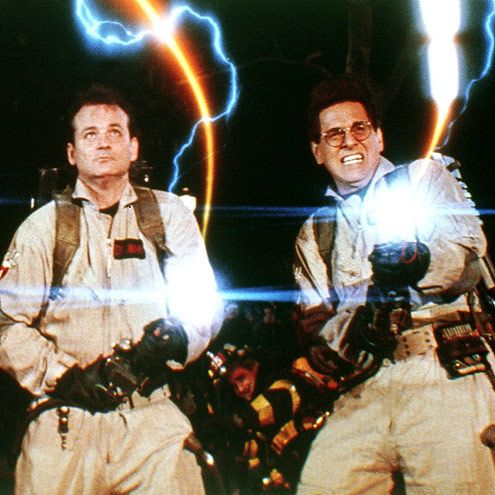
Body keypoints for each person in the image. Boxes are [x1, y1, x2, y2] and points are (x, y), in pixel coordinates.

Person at [0, 83, 221, 494]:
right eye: (90, 134)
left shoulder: (168, 215)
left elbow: (203, 304)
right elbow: (6, 324)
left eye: (114, 132)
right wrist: (67, 377)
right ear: (72, 153)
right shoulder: (43, 228)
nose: (103, 142)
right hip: (66, 419)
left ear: (133, 147)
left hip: (151, 415)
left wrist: (176, 339)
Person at [293, 73, 495, 493]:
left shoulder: (424, 177)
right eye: (334, 134)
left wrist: (417, 262)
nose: (349, 142)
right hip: (365, 384)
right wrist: (346, 334)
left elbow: (467, 263)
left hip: (440, 372)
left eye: (359, 128)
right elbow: (317, 320)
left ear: (379, 137)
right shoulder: (314, 232)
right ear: (317, 151)